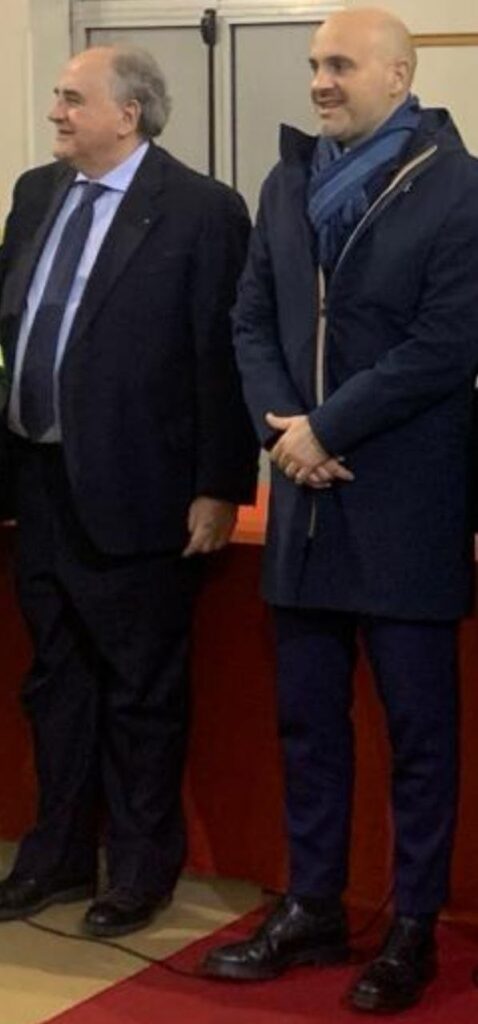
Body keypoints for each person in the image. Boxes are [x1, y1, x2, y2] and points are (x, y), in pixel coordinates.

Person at [202, 7, 478, 1013]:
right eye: (316, 63)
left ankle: (411, 928)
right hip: (304, 510)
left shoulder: (459, 188)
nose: (320, 80)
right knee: (306, 727)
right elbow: (249, 319)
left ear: (399, 76)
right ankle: (313, 905)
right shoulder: (286, 182)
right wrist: (284, 432)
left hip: (405, 506)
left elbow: (448, 343)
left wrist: (327, 428)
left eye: (342, 64)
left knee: (419, 739)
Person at [0, 44, 257, 938]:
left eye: (73, 99)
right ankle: (58, 856)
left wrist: (220, 485)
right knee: (54, 682)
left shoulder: (200, 210)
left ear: (128, 113)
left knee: (141, 691)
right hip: (39, 481)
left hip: (142, 489)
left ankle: (141, 871)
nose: (56, 112)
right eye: (57, 97)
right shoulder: (37, 192)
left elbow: (220, 357)